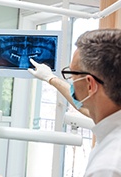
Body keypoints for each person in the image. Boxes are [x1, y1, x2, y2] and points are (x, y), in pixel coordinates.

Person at [28, 28, 121, 177]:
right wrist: (50, 78)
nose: (71, 81)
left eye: (71, 74)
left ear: (90, 84)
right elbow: (85, 107)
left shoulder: (107, 167)